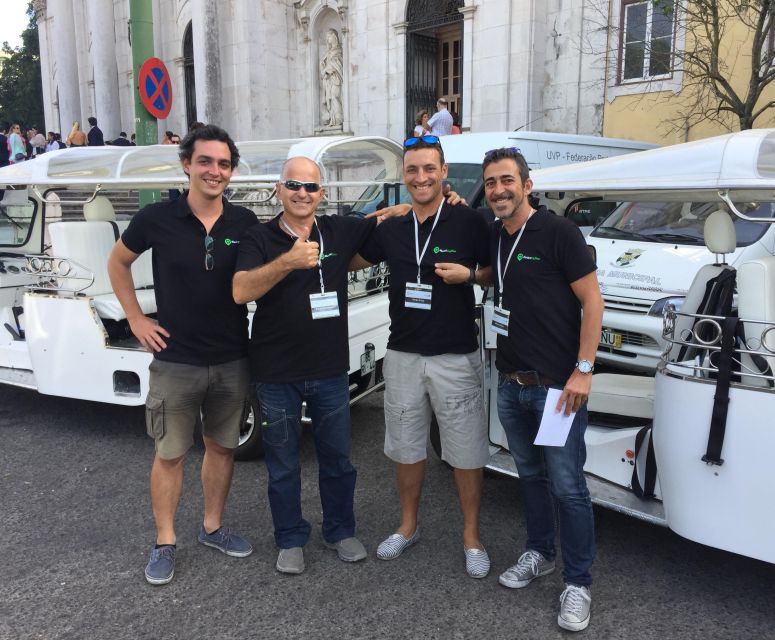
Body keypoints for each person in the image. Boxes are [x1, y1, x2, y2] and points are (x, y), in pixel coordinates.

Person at [107, 124, 259, 586]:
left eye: (224, 163)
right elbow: (118, 262)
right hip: (174, 360)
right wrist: (135, 319)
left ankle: (212, 527)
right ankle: (165, 541)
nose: (215, 171)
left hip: (232, 357)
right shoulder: (157, 217)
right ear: (187, 164)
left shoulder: (245, 222)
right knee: (170, 453)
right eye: (206, 161)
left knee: (221, 447)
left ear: (231, 171)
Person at [352, 135, 493, 578]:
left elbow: (496, 272)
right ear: (404, 176)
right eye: (412, 170)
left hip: (456, 355)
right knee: (405, 445)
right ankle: (407, 526)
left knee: (466, 451)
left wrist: (471, 274)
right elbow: (353, 258)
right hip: (404, 355)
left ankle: (471, 537)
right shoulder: (393, 228)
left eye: (429, 169)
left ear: (443, 172)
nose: (421, 177)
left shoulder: (470, 223)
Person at [232, 157, 378, 575]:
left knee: (337, 460)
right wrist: (287, 262)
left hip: (330, 370)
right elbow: (241, 291)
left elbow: (384, 220)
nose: (302, 193)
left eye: (311, 187)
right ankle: (290, 537)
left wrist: (430, 202)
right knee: (283, 464)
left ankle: (339, 530)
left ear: (323, 194)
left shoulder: (337, 230)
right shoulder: (257, 237)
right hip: (277, 373)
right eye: (293, 185)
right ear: (279, 189)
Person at [482, 148, 603, 632]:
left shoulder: (559, 233)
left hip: (558, 389)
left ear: (527, 185)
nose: (498, 190)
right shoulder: (496, 235)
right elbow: (501, 277)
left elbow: (592, 302)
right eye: (491, 183)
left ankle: (578, 582)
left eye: (506, 180)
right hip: (512, 386)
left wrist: (584, 369)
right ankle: (539, 553)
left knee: (569, 486)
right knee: (528, 477)